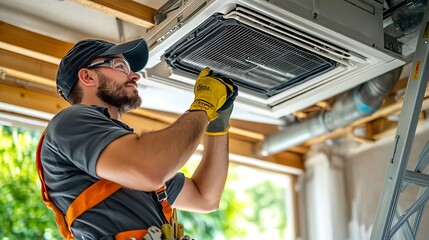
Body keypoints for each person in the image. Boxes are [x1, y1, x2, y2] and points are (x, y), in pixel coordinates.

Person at [37, 38, 237, 239]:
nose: (134, 76)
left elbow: (205, 197)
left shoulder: (121, 153)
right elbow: (151, 170)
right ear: (88, 77)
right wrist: (202, 107)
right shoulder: (71, 121)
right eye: (120, 66)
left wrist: (216, 125)